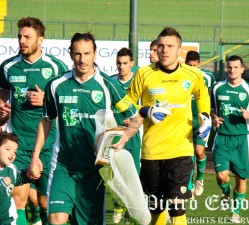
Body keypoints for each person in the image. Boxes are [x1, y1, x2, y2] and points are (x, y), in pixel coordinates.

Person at [27, 32, 142, 225]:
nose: (82, 59)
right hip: (64, 165)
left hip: (94, 169)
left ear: (95, 54)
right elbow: (46, 120)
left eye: (87, 53)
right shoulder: (56, 85)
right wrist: (35, 156)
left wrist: (122, 139)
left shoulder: (108, 85)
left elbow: (135, 118)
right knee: (56, 218)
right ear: (70, 54)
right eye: (78, 54)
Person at [126, 27, 211, 225]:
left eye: (170, 46)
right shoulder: (144, 74)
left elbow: (202, 94)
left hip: (181, 150)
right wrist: (145, 111)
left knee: (176, 205)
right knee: (156, 207)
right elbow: (126, 102)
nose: (164, 50)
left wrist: (205, 115)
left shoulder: (193, 74)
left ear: (179, 50)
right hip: (151, 152)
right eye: (161, 46)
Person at [0, 17, 68, 225]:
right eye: (20, 36)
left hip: (47, 145)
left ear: (40, 40)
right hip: (18, 146)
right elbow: (2, 97)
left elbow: (66, 103)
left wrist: (46, 101)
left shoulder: (56, 67)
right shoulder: (8, 67)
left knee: (48, 203)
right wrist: (1, 108)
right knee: (17, 198)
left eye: (27, 36)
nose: (22, 40)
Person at [210, 55, 249, 223]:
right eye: (229, 67)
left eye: (235, 67)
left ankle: (236, 212)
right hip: (222, 138)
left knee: (241, 178)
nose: (232, 70)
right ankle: (225, 192)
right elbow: (212, 108)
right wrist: (214, 117)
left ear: (242, 69)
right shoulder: (217, 88)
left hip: (242, 140)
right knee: (221, 176)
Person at [110, 47, 142, 223]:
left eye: (125, 63)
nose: (121, 67)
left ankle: (131, 209)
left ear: (132, 64)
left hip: (132, 138)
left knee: (132, 175)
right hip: (114, 136)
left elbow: (144, 111)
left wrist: (135, 120)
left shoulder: (137, 83)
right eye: (119, 63)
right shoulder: (110, 82)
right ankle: (117, 206)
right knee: (115, 175)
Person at [185, 50, 215, 197]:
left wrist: (213, 115)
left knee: (199, 151)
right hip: (185, 120)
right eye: (189, 65)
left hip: (202, 121)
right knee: (188, 152)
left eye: (194, 65)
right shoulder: (181, 76)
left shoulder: (208, 77)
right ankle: (189, 184)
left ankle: (200, 179)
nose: (191, 68)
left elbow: (212, 97)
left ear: (199, 64)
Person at [0, 132, 32, 225]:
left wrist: (29, 174)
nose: (12, 154)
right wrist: (2, 185)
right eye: (8, 149)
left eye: (15, 151)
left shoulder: (11, 169)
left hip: (7, 219)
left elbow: (20, 179)